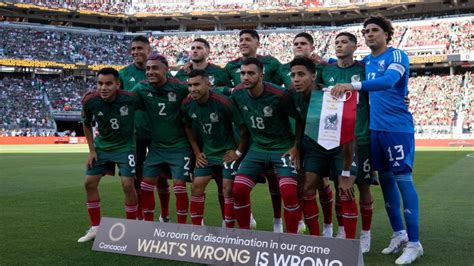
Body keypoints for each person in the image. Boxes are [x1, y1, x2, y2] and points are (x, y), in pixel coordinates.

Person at [332, 15, 423, 264]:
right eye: (365, 31)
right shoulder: (366, 62)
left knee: (403, 180)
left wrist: (353, 87)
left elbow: (388, 81)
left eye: (374, 30)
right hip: (375, 130)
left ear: (386, 34)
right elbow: (341, 64)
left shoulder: (396, 56)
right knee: (385, 182)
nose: (369, 34)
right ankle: (399, 235)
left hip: (397, 128)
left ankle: (415, 244)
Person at [313, 32, 375, 253]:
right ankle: (342, 230)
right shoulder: (327, 71)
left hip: (362, 136)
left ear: (355, 46)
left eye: (344, 42)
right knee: (341, 186)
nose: (339, 46)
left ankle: (365, 234)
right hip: (336, 138)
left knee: (364, 185)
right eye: (336, 43)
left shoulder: (364, 69)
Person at [231, 57, 303, 233]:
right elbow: (242, 126)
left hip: (282, 148)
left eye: (250, 73)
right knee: (238, 190)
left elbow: (300, 120)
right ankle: (244, 236)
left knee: (288, 192)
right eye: (242, 73)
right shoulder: (237, 94)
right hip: (258, 149)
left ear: (261, 75)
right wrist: (240, 150)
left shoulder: (279, 95)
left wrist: (296, 146)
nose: (245, 77)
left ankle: (291, 240)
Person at [225, 29, 286, 232]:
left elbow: (292, 75)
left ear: (257, 42)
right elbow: (217, 85)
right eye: (240, 39)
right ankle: (246, 222)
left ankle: (280, 222)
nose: (243, 42)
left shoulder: (272, 63)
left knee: (278, 183)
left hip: (275, 133)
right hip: (249, 135)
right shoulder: (230, 66)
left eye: (247, 39)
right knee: (237, 184)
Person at [78, 67, 140, 242]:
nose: (103, 87)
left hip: (125, 147)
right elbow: (86, 123)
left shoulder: (130, 99)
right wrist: (91, 150)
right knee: (89, 183)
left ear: (117, 84)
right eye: (99, 83)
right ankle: (96, 228)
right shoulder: (90, 101)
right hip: (102, 147)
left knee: (128, 185)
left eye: (108, 84)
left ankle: (132, 227)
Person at [281, 32, 334, 237]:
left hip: (322, 137)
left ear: (312, 46)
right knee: (303, 183)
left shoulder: (323, 68)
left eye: (303, 43)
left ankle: (327, 226)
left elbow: (343, 75)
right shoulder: (286, 69)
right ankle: (306, 223)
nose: (299, 46)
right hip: (297, 136)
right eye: (295, 43)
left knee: (322, 182)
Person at [182, 69, 249, 227]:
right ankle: (197, 229)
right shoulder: (187, 104)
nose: (192, 89)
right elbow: (188, 128)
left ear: (208, 84)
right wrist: (197, 152)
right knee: (196, 187)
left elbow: (244, 129)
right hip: (207, 154)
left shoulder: (223, 102)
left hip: (227, 153)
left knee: (227, 189)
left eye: (196, 84)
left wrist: (238, 151)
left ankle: (228, 230)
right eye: (190, 85)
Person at [132, 54, 191, 224]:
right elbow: (124, 100)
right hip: (156, 147)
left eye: (155, 68)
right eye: (148, 68)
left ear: (166, 69)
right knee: (145, 185)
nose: (150, 72)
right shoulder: (141, 88)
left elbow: (200, 91)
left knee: (179, 187)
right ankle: (149, 227)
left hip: (180, 146)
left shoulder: (180, 87)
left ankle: (182, 228)